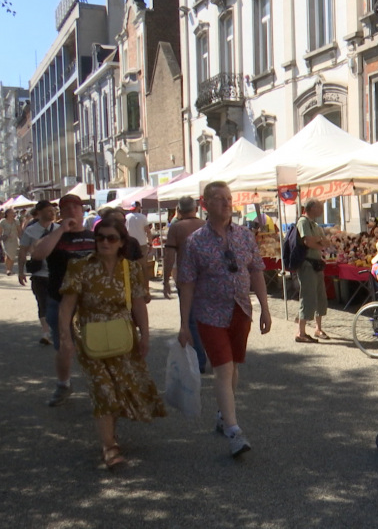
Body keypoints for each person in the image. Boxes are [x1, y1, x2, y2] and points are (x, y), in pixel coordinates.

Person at [58, 216, 166, 469]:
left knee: (118, 388)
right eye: (100, 237)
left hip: (123, 336)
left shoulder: (132, 269)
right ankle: (109, 447)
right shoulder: (80, 267)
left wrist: (146, 336)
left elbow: (139, 305)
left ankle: (110, 435)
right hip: (90, 337)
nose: (104, 242)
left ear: (121, 242)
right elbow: (67, 307)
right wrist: (66, 338)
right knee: (102, 389)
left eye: (111, 238)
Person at [178, 181, 271, 457]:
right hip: (209, 313)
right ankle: (233, 431)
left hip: (241, 309)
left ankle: (222, 414)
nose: (227, 203)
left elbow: (256, 272)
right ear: (205, 204)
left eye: (229, 198)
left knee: (234, 366)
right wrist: (184, 324)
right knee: (223, 367)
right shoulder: (195, 242)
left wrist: (265, 308)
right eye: (219, 199)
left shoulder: (244, 236)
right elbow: (187, 284)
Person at [32, 194, 95, 407]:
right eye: (67, 208)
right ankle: (63, 384)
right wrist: (60, 230)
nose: (72, 211)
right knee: (64, 347)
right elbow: (38, 254)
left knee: (94, 347)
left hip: (89, 303)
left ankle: (99, 387)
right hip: (59, 300)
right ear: (61, 213)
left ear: (83, 210)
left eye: (76, 207)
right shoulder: (55, 236)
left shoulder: (93, 237)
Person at [163, 196, 207, 373]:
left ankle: (200, 360)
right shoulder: (206, 225)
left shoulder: (176, 228)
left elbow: (169, 256)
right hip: (208, 278)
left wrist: (165, 279)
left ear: (179, 211)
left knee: (190, 319)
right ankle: (214, 356)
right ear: (196, 209)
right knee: (208, 317)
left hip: (186, 278)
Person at [18, 200, 59, 345]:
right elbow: (22, 251)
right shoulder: (30, 230)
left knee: (57, 303)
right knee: (42, 302)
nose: (52, 213)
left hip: (57, 274)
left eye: (53, 211)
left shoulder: (59, 229)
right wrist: (20, 271)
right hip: (39, 274)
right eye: (49, 211)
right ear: (39, 213)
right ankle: (46, 332)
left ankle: (56, 329)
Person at [295, 198, 330, 343]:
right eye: (319, 207)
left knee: (320, 297)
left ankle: (318, 328)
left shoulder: (315, 224)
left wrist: (319, 241)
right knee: (308, 297)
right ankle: (300, 332)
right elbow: (308, 242)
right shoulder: (303, 222)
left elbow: (326, 242)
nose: (322, 210)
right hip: (307, 265)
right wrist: (319, 241)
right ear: (311, 208)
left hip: (317, 264)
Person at [1, 208, 21, 275]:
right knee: (7, 254)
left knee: (12, 255)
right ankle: (8, 269)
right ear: (7, 214)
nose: (14, 214)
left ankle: (11, 269)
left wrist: (21, 239)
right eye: (12, 212)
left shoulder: (16, 221)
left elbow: (19, 231)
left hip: (14, 240)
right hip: (6, 240)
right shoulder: (3, 221)